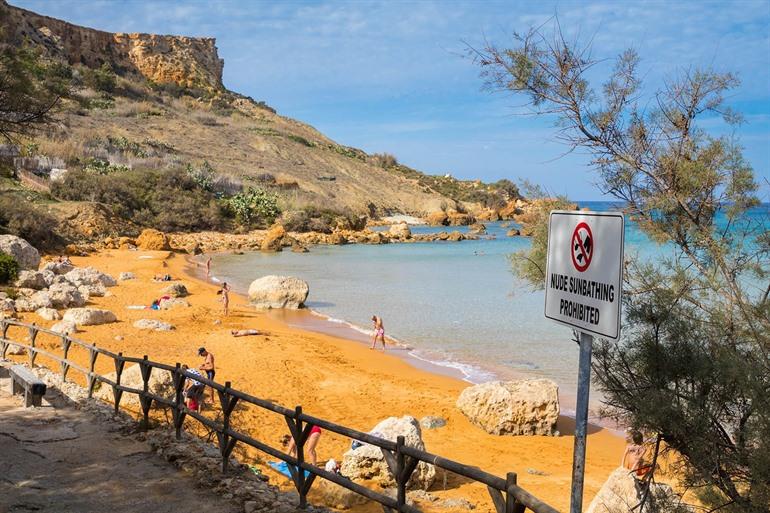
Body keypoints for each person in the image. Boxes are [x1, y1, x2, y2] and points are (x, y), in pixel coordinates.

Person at [622, 430, 652, 498]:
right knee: (652, 466)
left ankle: (641, 477)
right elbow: (638, 460)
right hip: (636, 471)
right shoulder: (643, 449)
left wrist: (622, 466)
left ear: (633, 439)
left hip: (628, 467)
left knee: (643, 461)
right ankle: (644, 479)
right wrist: (633, 470)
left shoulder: (629, 446)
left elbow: (624, 455)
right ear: (641, 439)